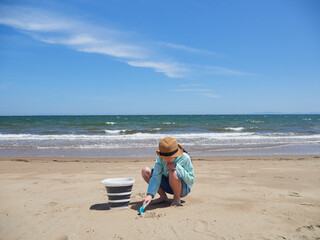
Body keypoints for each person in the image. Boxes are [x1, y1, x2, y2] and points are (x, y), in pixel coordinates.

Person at [141, 137, 194, 207]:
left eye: (170, 157)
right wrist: (150, 195)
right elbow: (156, 177)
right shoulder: (160, 159)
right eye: (165, 158)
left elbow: (190, 181)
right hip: (168, 185)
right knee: (145, 171)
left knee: (173, 172)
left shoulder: (185, 158)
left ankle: (176, 198)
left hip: (183, 188)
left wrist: (176, 166)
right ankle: (163, 197)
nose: (167, 160)